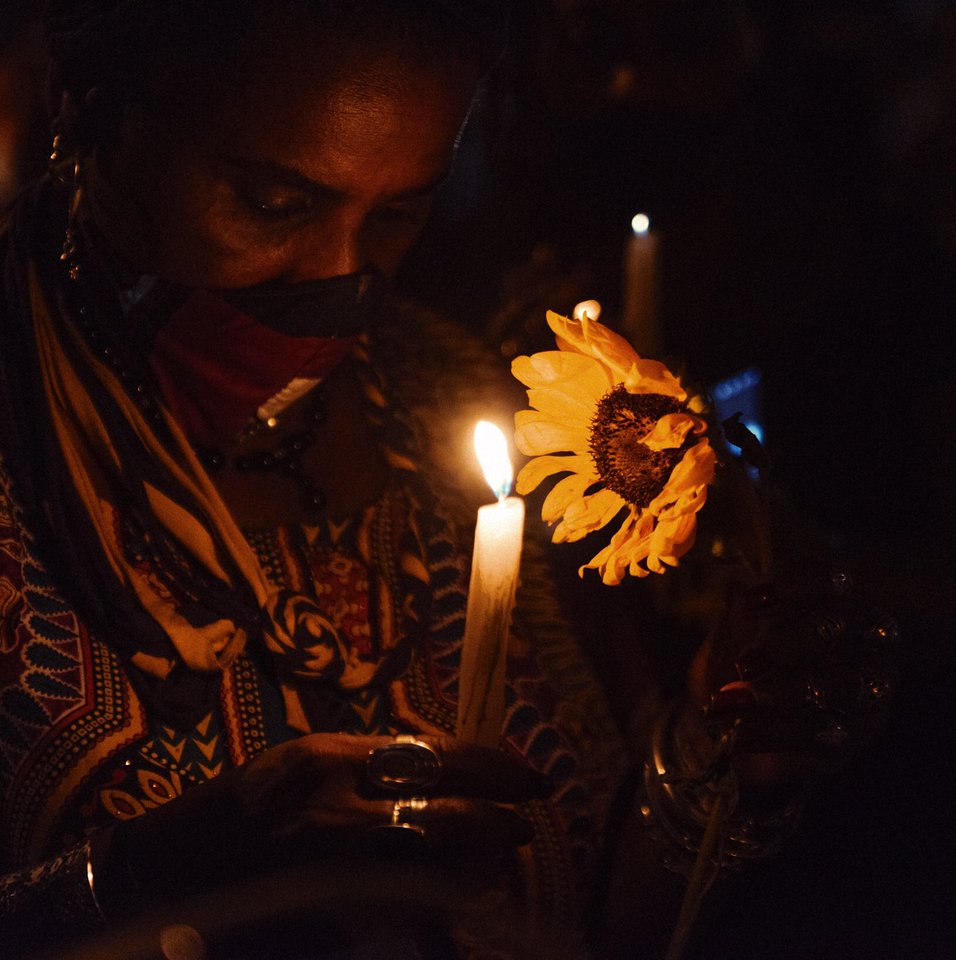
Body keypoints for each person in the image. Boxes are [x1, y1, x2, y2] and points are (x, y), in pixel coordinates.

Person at [0, 2, 892, 958]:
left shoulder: (451, 394)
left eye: (399, 212)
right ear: (84, 112)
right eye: (273, 203)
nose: (344, 277)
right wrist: (153, 875)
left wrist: (716, 756)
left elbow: (584, 905)